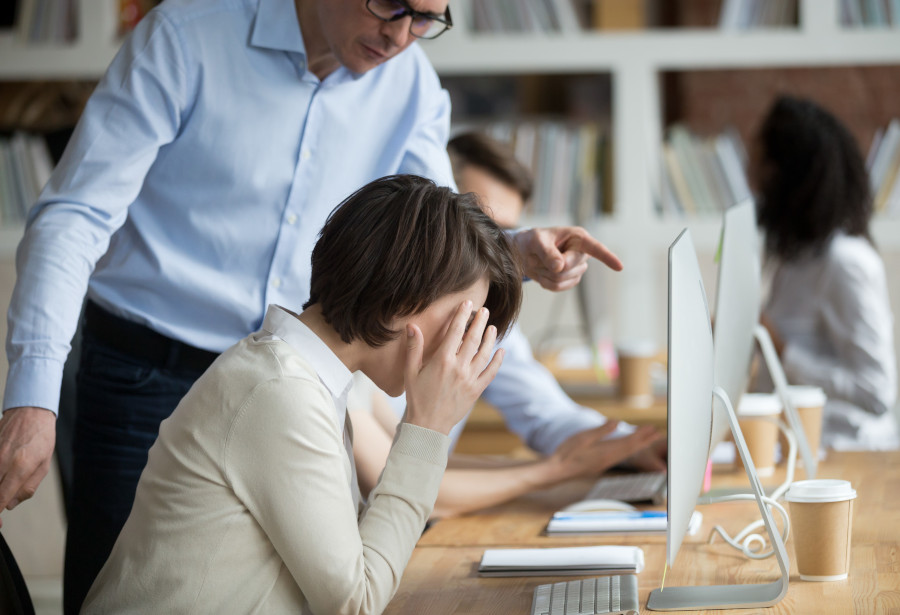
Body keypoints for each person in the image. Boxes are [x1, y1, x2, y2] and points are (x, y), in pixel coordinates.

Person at [0, 1, 624, 611]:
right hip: (148, 363)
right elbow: (74, 217)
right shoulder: (187, 35)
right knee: (137, 580)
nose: (403, 35)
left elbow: (437, 246)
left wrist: (515, 251)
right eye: (390, 7)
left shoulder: (410, 86)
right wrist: (31, 397)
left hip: (303, 365)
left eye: (426, 18)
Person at [79, 174, 522, 613]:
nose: (457, 347)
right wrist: (428, 427)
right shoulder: (281, 391)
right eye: (458, 323)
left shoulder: (307, 378)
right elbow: (357, 601)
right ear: (401, 293)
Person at [352, 132, 665, 519]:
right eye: (482, 228)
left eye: (504, 234)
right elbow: (400, 484)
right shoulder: (369, 344)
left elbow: (425, 467)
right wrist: (555, 471)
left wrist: (624, 446)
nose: (494, 251)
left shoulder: (481, 324)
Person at [751, 95, 898, 450]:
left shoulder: (845, 262)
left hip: (850, 454)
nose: (752, 175)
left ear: (789, 177)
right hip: (795, 448)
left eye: (762, 164)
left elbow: (877, 393)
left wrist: (781, 348)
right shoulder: (795, 258)